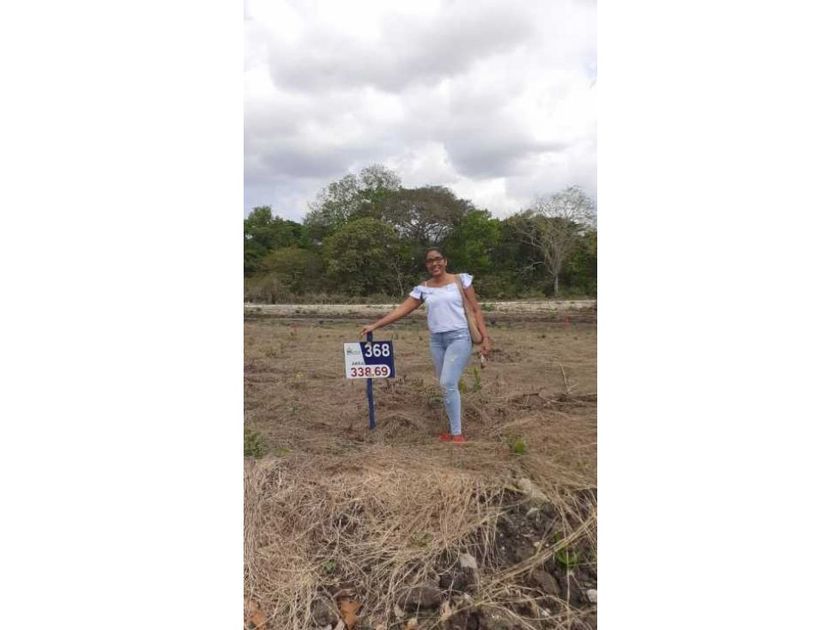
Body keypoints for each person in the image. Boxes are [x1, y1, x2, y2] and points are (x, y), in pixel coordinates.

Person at [360, 248, 491, 443]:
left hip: (459, 337)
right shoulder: (423, 288)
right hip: (437, 341)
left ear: (445, 261)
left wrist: (485, 338)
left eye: (438, 259)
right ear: (426, 265)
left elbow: (476, 309)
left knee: (447, 383)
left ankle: (457, 435)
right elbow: (402, 310)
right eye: (430, 261)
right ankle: (453, 430)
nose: (434, 263)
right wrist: (376, 325)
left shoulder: (460, 280)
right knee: (446, 385)